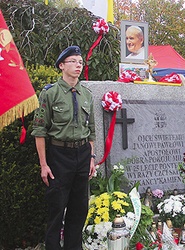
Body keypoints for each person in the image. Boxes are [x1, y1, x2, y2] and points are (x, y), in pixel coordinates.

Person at [32, 46, 96, 250]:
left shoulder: (86, 94)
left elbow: (92, 131)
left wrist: (92, 158)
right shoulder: (50, 93)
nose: (78, 66)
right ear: (61, 65)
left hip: (82, 154)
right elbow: (40, 131)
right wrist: (44, 164)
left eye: (80, 62)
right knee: (56, 209)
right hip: (59, 155)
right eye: (73, 62)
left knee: (79, 210)